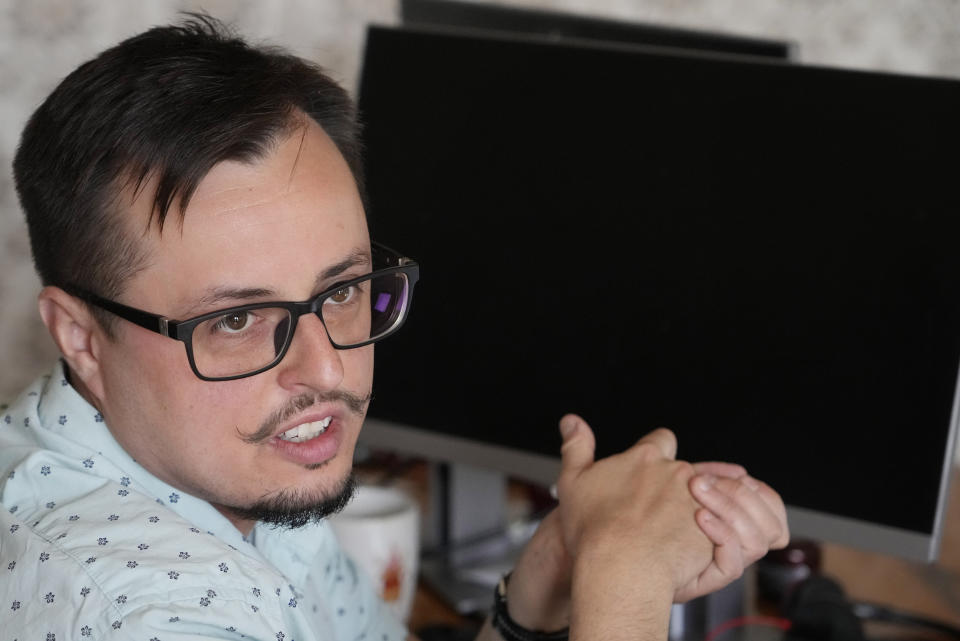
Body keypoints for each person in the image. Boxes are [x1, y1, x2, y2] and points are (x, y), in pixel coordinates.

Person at [0, 15, 788, 641]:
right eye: (237, 319)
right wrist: (626, 577)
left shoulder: (222, 476)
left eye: (342, 289)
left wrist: (548, 583)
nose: (326, 371)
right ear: (78, 335)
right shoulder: (145, 612)